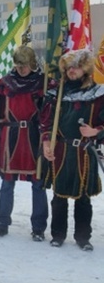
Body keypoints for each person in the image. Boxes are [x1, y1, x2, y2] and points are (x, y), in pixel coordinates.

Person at [40, 49, 104, 251]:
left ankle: (83, 237)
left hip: (84, 152)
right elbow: (45, 122)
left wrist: (96, 131)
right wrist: (46, 142)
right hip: (60, 149)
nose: (71, 71)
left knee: (83, 198)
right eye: (68, 68)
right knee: (59, 196)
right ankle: (57, 235)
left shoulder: (98, 94)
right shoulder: (57, 92)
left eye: (75, 67)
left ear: (84, 69)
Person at [0, 46, 55, 241]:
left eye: (25, 65)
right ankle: (1, 223)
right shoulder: (6, 84)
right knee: (7, 183)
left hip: (34, 135)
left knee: (38, 184)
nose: (22, 69)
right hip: (11, 135)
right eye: (18, 65)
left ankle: (38, 228)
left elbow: (48, 112)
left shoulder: (42, 84)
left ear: (32, 64)